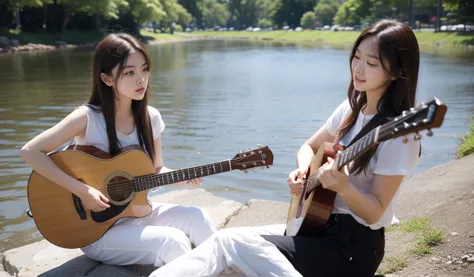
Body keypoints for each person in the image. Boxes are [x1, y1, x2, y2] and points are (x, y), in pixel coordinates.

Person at [147, 18, 422, 277]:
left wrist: (344, 187)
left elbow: (375, 211)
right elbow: (308, 146)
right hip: (316, 226)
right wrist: (304, 174)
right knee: (223, 244)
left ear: (397, 72)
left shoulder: (400, 135)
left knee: (232, 243)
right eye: (356, 57)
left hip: (350, 250)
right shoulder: (352, 107)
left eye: (371, 63)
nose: (358, 69)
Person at [19, 33, 217, 267]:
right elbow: (30, 151)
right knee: (171, 242)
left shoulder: (150, 117)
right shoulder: (88, 118)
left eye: (144, 69)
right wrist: (83, 191)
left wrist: (184, 179)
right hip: (95, 230)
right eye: (130, 73)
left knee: (198, 217)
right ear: (107, 78)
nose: (141, 79)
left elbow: (156, 170)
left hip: (136, 213)